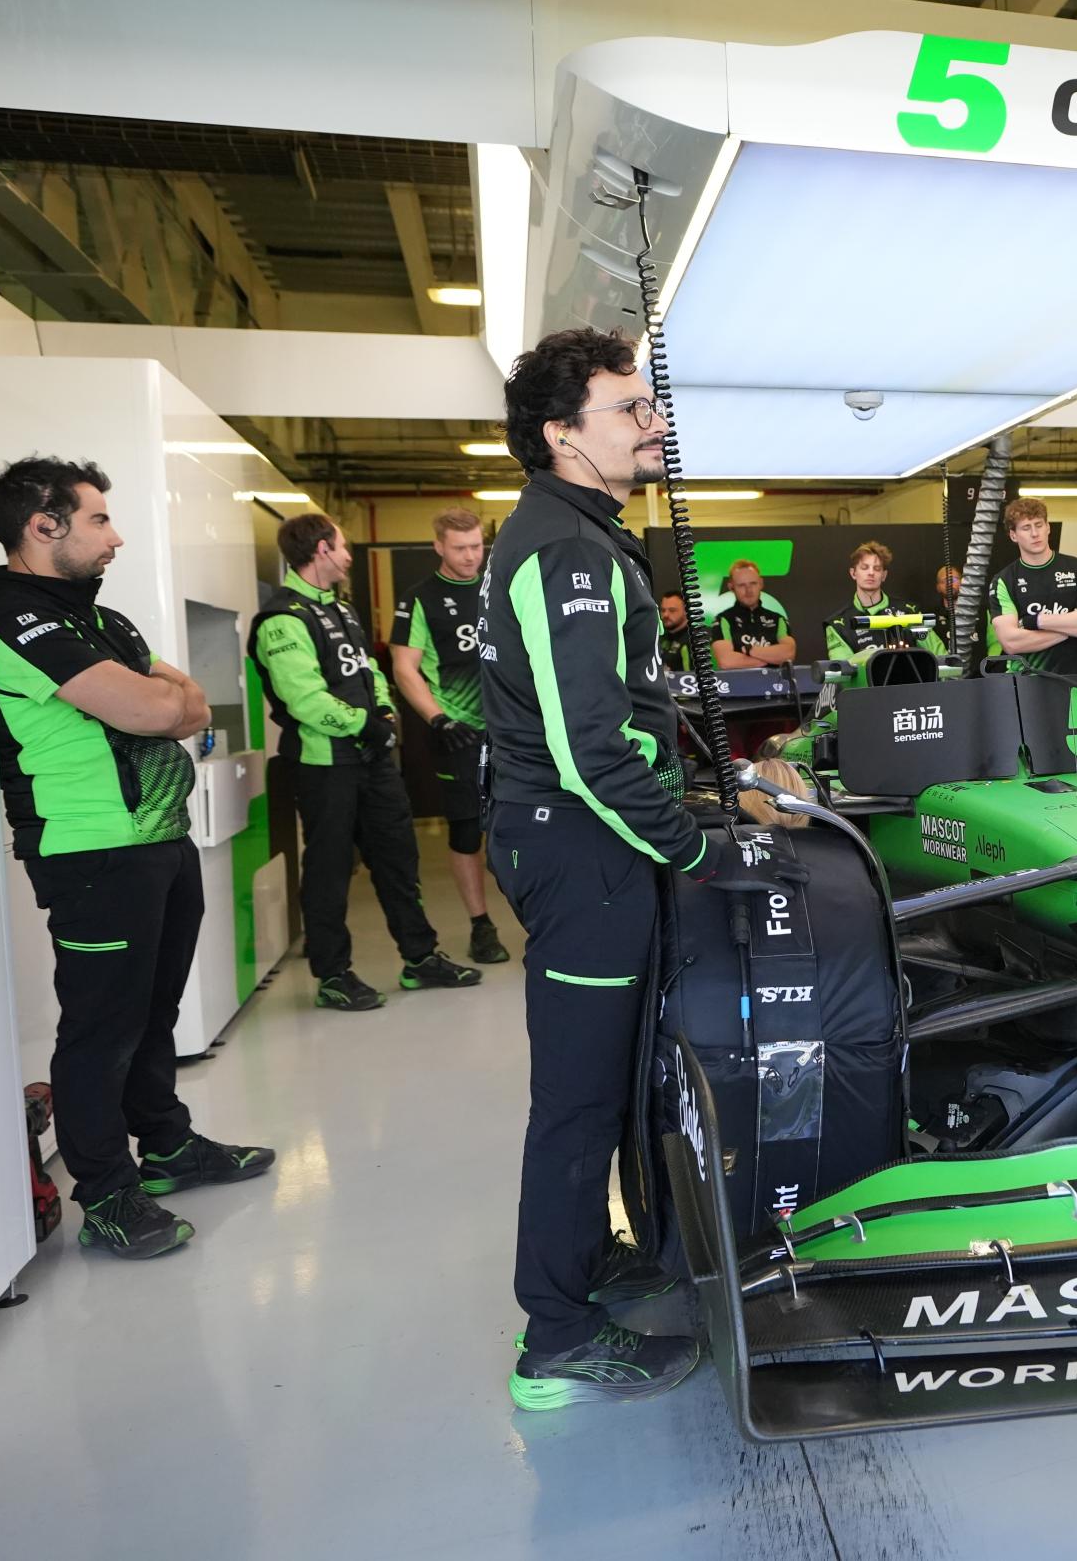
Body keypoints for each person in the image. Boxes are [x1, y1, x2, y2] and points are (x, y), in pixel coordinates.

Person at [481, 326, 800, 1410]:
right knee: (577, 1096)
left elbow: (627, 712)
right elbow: (590, 748)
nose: (653, 421)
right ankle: (555, 1334)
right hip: (579, 848)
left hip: (599, 842)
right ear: (562, 434)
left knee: (617, 1078)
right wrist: (695, 844)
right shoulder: (564, 551)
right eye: (629, 407)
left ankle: (591, 1259)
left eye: (648, 404)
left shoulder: (590, 535)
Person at [0, 457, 272, 1260]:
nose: (116, 538)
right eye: (99, 520)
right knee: (101, 1029)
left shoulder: (102, 621)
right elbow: (152, 707)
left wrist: (167, 703)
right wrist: (162, 703)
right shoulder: (15, 618)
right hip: (92, 853)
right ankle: (108, 1194)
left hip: (159, 842)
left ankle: (168, 1146)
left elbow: (190, 705)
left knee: (152, 1014)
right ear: (43, 525)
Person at [251, 513, 481, 1012]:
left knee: (399, 861)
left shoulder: (342, 609)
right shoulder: (281, 619)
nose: (348, 556)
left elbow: (370, 668)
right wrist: (363, 724)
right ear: (320, 551)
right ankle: (333, 975)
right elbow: (303, 698)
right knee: (329, 870)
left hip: (374, 761)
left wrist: (383, 710)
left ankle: (420, 958)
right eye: (342, 547)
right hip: (323, 764)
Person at [389, 506, 508, 966]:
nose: (470, 556)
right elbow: (405, 668)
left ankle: (539, 918)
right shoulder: (420, 598)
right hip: (458, 731)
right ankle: (481, 925)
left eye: (477, 546)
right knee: (466, 830)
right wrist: (438, 719)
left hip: (511, 729)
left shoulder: (500, 586)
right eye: (460, 548)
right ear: (438, 546)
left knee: (527, 822)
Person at [989, 496, 1077, 674]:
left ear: (1048, 527)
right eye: (1026, 528)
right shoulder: (1004, 580)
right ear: (1013, 535)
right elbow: (1011, 642)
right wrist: (1074, 627)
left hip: (1076, 680)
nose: (1034, 533)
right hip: (1025, 682)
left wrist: (1036, 621)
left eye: (1039, 525)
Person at [825, 541, 942, 673]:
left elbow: (940, 658)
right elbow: (845, 674)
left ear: (884, 575)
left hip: (912, 683)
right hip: (867, 686)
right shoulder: (838, 624)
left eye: (877, 568)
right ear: (853, 573)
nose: (871, 573)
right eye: (864, 567)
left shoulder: (910, 612)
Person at [708, 561, 795, 670]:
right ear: (731, 587)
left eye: (753, 583)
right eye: (741, 585)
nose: (749, 590)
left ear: (761, 583)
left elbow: (788, 654)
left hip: (774, 680)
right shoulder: (723, 619)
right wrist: (771, 659)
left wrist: (750, 650)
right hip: (739, 681)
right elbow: (726, 662)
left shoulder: (778, 619)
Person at [656, 591, 700, 672]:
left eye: (672, 610)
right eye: (663, 610)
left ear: (686, 611)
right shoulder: (657, 637)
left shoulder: (697, 638)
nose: (665, 615)